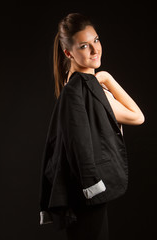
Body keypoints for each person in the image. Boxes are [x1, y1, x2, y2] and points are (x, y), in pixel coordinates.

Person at [39, 13, 145, 240]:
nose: (95, 50)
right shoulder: (88, 90)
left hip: (82, 191)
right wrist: (106, 78)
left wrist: (103, 78)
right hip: (89, 191)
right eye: (84, 46)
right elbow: (138, 117)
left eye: (96, 40)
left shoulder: (72, 85)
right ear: (68, 53)